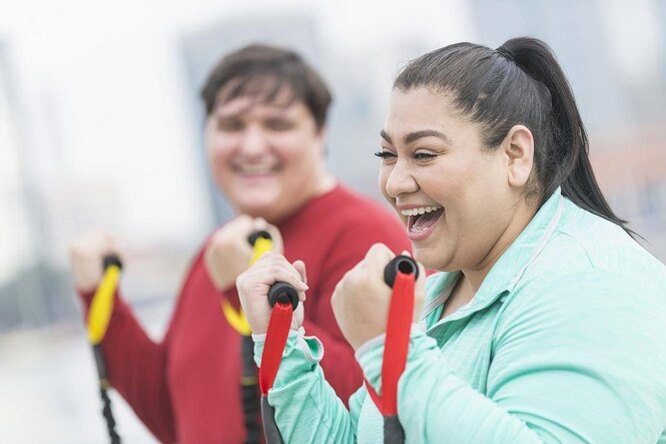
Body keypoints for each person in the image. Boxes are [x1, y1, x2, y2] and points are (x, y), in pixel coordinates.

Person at [236, 37, 666, 443]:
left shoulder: (589, 283)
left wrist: (391, 350)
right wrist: (281, 343)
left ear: (515, 154)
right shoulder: (441, 291)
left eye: (423, 154)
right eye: (388, 155)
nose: (396, 182)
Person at [69, 44, 411, 444]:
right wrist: (99, 298)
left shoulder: (363, 235)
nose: (251, 147)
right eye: (232, 126)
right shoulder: (218, 249)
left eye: (277, 125)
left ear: (319, 134)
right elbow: (173, 415)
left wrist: (245, 294)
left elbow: (377, 405)